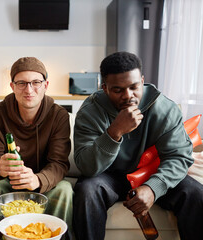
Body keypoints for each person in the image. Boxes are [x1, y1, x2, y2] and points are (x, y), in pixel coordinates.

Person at [73, 51, 203, 240]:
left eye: (134, 87)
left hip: (153, 173)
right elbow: (87, 166)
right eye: (117, 90)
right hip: (108, 176)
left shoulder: (164, 108)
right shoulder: (90, 111)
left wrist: (153, 188)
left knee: (195, 193)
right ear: (105, 88)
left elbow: (178, 157)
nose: (128, 96)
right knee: (86, 192)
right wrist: (115, 132)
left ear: (142, 81)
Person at [0, 57, 73, 236]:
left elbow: (59, 163)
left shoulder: (59, 116)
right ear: (12, 86)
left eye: (36, 82)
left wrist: (38, 179)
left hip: (42, 186)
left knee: (65, 189)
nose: (29, 90)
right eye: (21, 83)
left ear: (45, 85)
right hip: (7, 184)